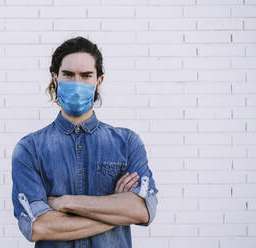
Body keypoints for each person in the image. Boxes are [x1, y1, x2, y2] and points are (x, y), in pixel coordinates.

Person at [11, 36, 158, 248]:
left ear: (99, 80)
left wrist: (65, 203)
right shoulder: (29, 149)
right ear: (55, 78)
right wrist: (117, 211)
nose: (77, 83)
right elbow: (39, 227)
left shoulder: (127, 143)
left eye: (86, 75)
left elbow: (142, 211)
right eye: (68, 75)